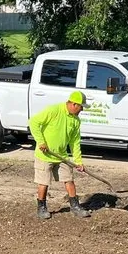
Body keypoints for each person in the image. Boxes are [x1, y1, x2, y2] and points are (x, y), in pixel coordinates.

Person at [29, 91, 91, 220]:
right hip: (44, 155)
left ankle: (75, 207)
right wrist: (41, 141)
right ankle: (41, 208)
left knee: (69, 179)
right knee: (44, 183)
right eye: (81, 107)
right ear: (74, 104)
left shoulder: (75, 120)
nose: (82, 110)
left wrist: (78, 161)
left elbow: (75, 142)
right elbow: (34, 122)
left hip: (61, 155)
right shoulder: (54, 110)